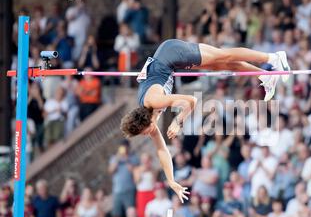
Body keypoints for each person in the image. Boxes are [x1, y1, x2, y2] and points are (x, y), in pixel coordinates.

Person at [120, 39, 291, 203]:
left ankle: (273, 58)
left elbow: (191, 101)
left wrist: (178, 121)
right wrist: (171, 181)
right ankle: (264, 76)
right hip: (171, 59)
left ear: (144, 122)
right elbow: (162, 151)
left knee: (225, 56)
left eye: (143, 132)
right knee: (219, 65)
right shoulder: (150, 119)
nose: (147, 134)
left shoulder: (154, 101)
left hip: (172, 53)